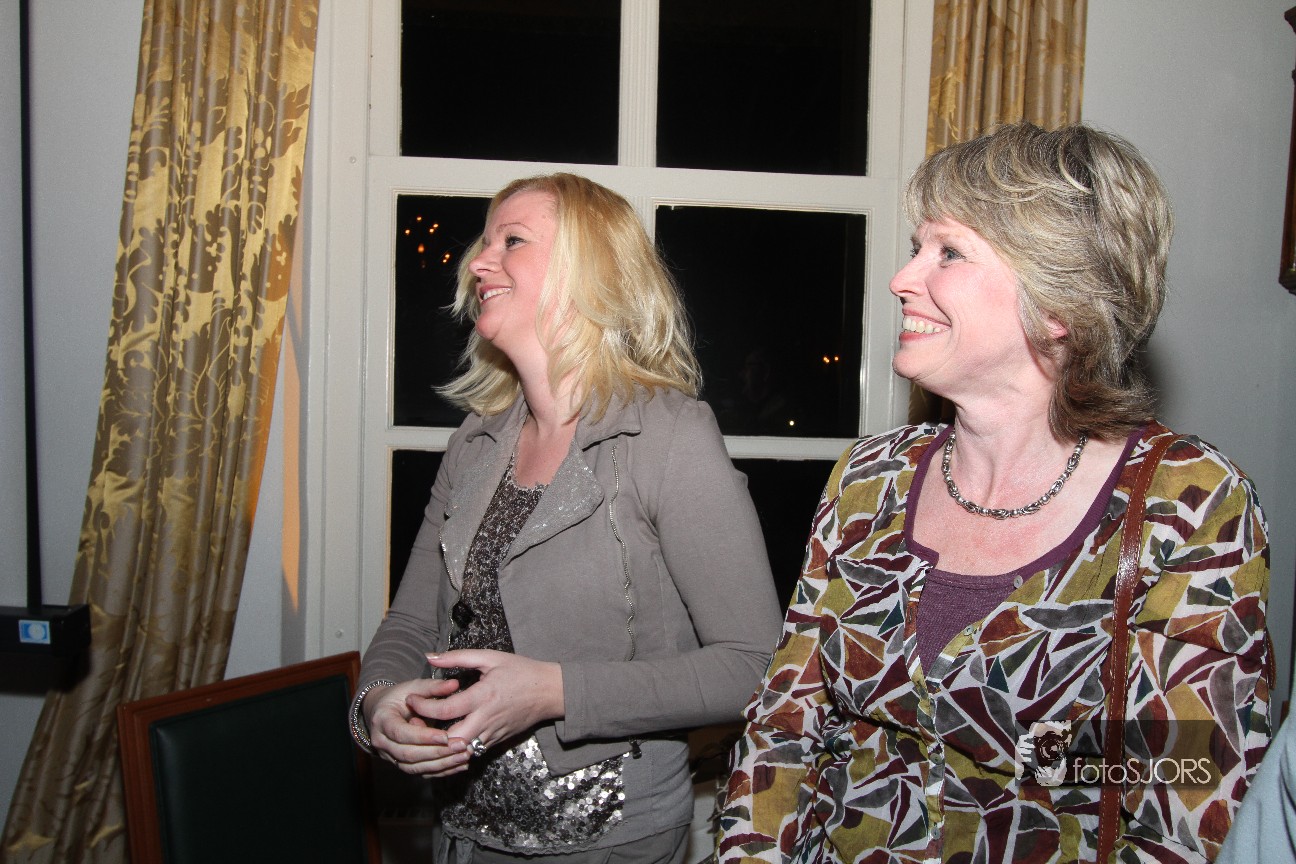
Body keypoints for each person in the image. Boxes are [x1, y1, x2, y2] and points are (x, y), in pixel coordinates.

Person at [715, 122, 1272, 863]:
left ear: (1059, 302)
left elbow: (1187, 781)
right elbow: (787, 722)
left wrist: (1025, 744)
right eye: (917, 247)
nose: (902, 278)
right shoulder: (869, 477)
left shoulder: (1187, 501)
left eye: (948, 252)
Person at [350, 172, 784, 864]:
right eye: (484, 243)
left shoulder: (667, 435)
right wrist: (378, 704)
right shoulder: (474, 443)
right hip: (461, 834)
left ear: (591, 272)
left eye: (512, 241)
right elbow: (408, 624)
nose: (479, 263)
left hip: (610, 841)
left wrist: (556, 691)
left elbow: (754, 665)